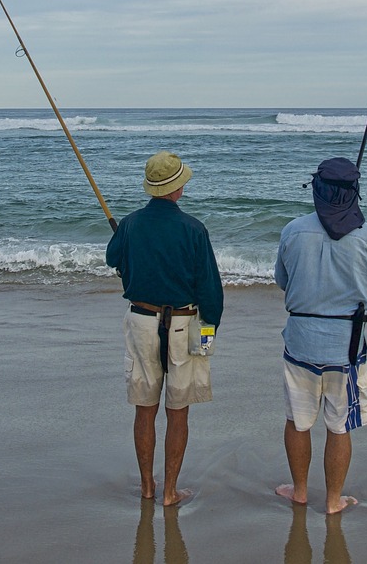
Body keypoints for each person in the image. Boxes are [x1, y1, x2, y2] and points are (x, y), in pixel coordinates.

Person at [273, 157, 367, 514]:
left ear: (316, 191)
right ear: (354, 194)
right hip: (347, 350)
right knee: (339, 426)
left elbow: (283, 281)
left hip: (300, 343)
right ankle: (333, 501)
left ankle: (300, 491)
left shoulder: (292, 231)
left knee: (297, 420)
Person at [106, 150, 224, 507]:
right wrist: (209, 331)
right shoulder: (193, 228)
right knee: (178, 410)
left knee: (145, 408)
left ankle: (147, 486)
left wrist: (123, 237)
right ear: (178, 188)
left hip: (141, 320)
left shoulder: (130, 224)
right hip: (185, 325)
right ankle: (170, 491)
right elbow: (210, 291)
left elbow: (112, 259)